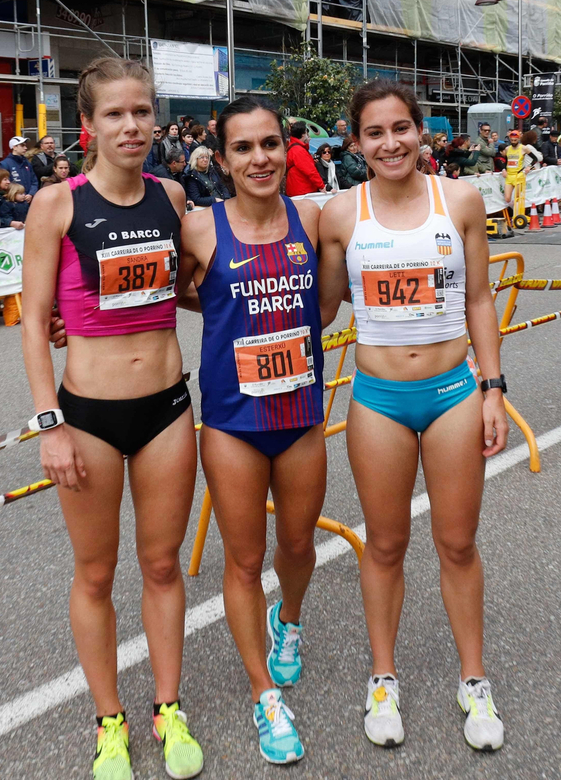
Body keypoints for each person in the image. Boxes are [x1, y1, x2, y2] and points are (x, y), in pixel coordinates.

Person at [19, 58, 203, 780]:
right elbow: (34, 323)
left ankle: (167, 706)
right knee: (95, 575)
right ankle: (109, 721)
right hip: (87, 416)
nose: (132, 126)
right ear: (88, 125)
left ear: (156, 118)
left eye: (143, 112)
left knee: (161, 565)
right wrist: (48, 423)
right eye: (115, 115)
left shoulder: (174, 195)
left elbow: (187, 293)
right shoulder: (56, 205)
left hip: (165, 410)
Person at [317, 79, 508, 753]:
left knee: (457, 543)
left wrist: (492, 389)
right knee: (387, 544)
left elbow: (480, 299)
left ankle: (474, 680)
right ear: (356, 142)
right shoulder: (340, 213)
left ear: (421, 131)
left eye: (401, 128)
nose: (390, 142)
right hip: (378, 400)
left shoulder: (458, 199)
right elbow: (322, 306)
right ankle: (383, 677)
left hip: (454, 391)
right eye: (375, 132)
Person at [174, 95, 327, 765]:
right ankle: (265, 695)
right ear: (222, 156)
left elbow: (325, 303)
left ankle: (287, 621)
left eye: (270, 144)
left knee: (297, 545)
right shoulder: (200, 229)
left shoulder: (314, 217)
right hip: (233, 422)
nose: (260, 158)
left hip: (300, 416)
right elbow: (162, 290)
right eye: (244, 148)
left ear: (285, 148)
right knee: (244, 558)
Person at [283, 121, 325, 196]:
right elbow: (310, 171)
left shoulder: (293, 147)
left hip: (296, 189)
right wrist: (321, 186)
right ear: (303, 134)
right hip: (303, 190)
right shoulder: (299, 150)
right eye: (306, 132)